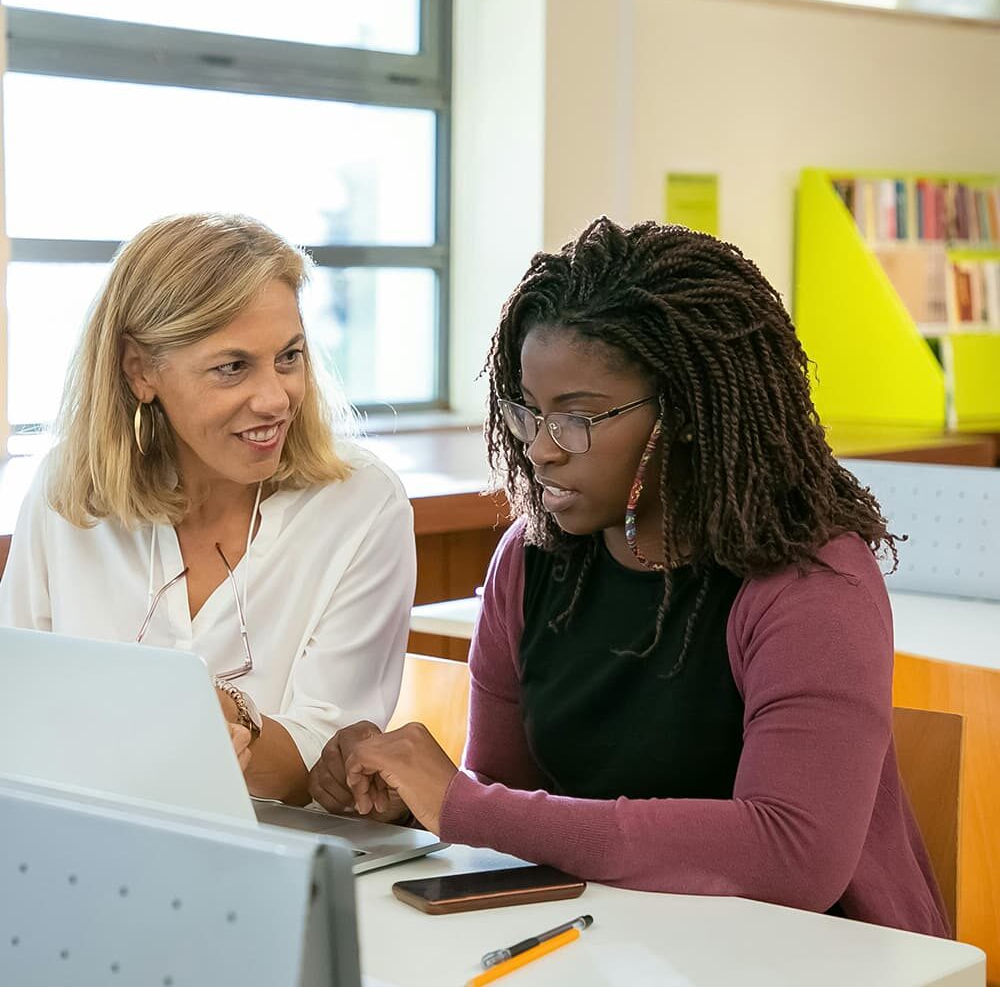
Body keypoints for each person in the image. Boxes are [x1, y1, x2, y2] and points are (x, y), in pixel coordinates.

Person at [308, 217, 949, 936]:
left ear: (688, 413)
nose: (541, 451)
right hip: (615, 940)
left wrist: (462, 804)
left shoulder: (810, 580)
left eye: (577, 419)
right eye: (528, 411)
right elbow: (509, 804)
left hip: (816, 954)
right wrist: (409, 798)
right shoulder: (530, 560)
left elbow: (793, 856)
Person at [0, 212, 416, 805]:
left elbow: (329, 766)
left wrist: (234, 727)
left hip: (276, 853)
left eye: (290, 357)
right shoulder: (70, 489)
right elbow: (17, 707)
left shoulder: (361, 504)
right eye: (232, 367)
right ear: (140, 370)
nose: (275, 398)